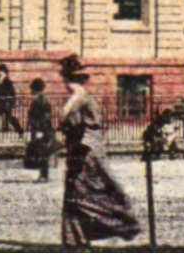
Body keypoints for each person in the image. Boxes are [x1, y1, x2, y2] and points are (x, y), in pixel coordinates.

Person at [58, 54, 141, 247]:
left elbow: (91, 127)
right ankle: (75, 238)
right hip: (76, 153)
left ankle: (124, 225)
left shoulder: (84, 100)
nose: (67, 83)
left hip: (86, 154)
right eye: (69, 78)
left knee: (90, 193)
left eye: (70, 79)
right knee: (74, 195)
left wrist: (81, 146)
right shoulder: (74, 99)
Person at [24, 78, 57, 182]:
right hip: (45, 129)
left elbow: (41, 117)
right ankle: (43, 175)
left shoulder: (39, 101)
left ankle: (43, 176)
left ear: (34, 89)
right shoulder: (43, 100)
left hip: (42, 130)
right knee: (43, 153)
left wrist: (38, 131)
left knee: (42, 153)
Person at [0, 64, 24, 134]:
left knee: (9, 118)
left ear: (3, 72)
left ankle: (20, 130)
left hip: (6, 103)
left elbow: (12, 93)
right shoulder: (0, 80)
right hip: (2, 103)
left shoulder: (7, 80)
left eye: (0, 71)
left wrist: (11, 102)